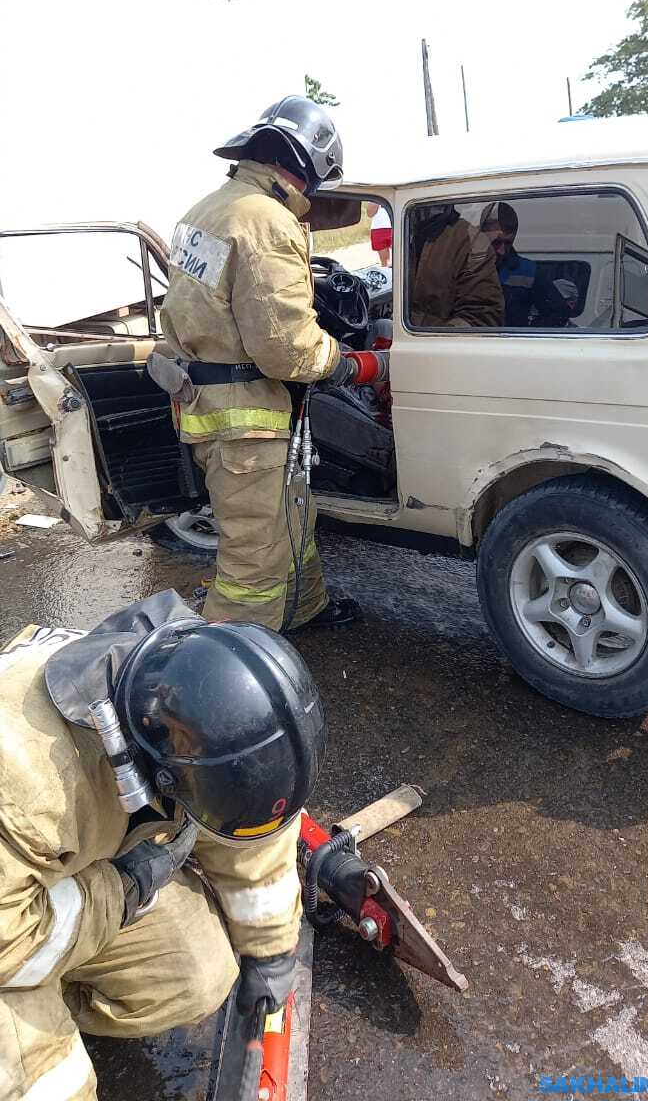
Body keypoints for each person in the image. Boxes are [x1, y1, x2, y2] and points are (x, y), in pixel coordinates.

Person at [0, 592, 326, 1101]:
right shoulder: (25, 777)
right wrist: (125, 887)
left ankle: (57, 991)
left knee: (197, 975)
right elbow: (8, 941)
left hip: (54, 883)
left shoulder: (206, 691)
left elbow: (250, 842)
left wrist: (272, 951)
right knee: (50, 1085)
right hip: (8, 922)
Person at [159, 96, 361, 631]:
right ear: (307, 167)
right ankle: (233, 659)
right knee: (254, 546)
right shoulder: (265, 220)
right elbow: (285, 346)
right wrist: (345, 363)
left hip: (218, 406)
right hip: (247, 417)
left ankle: (304, 608)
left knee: (290, 518)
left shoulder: (203, 210)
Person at [408, 203, 505, 328]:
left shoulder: (471, 241)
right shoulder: (404, 230)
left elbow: (482, 317)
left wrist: (416, 325)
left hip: (438, 345)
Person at [485, 202, 573, 328]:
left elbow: (559, 312)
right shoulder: (465, 267)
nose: (502, 250)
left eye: (508, 243)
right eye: (496, 243)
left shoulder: (529, 271)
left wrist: (527, 333)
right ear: (482, 236)